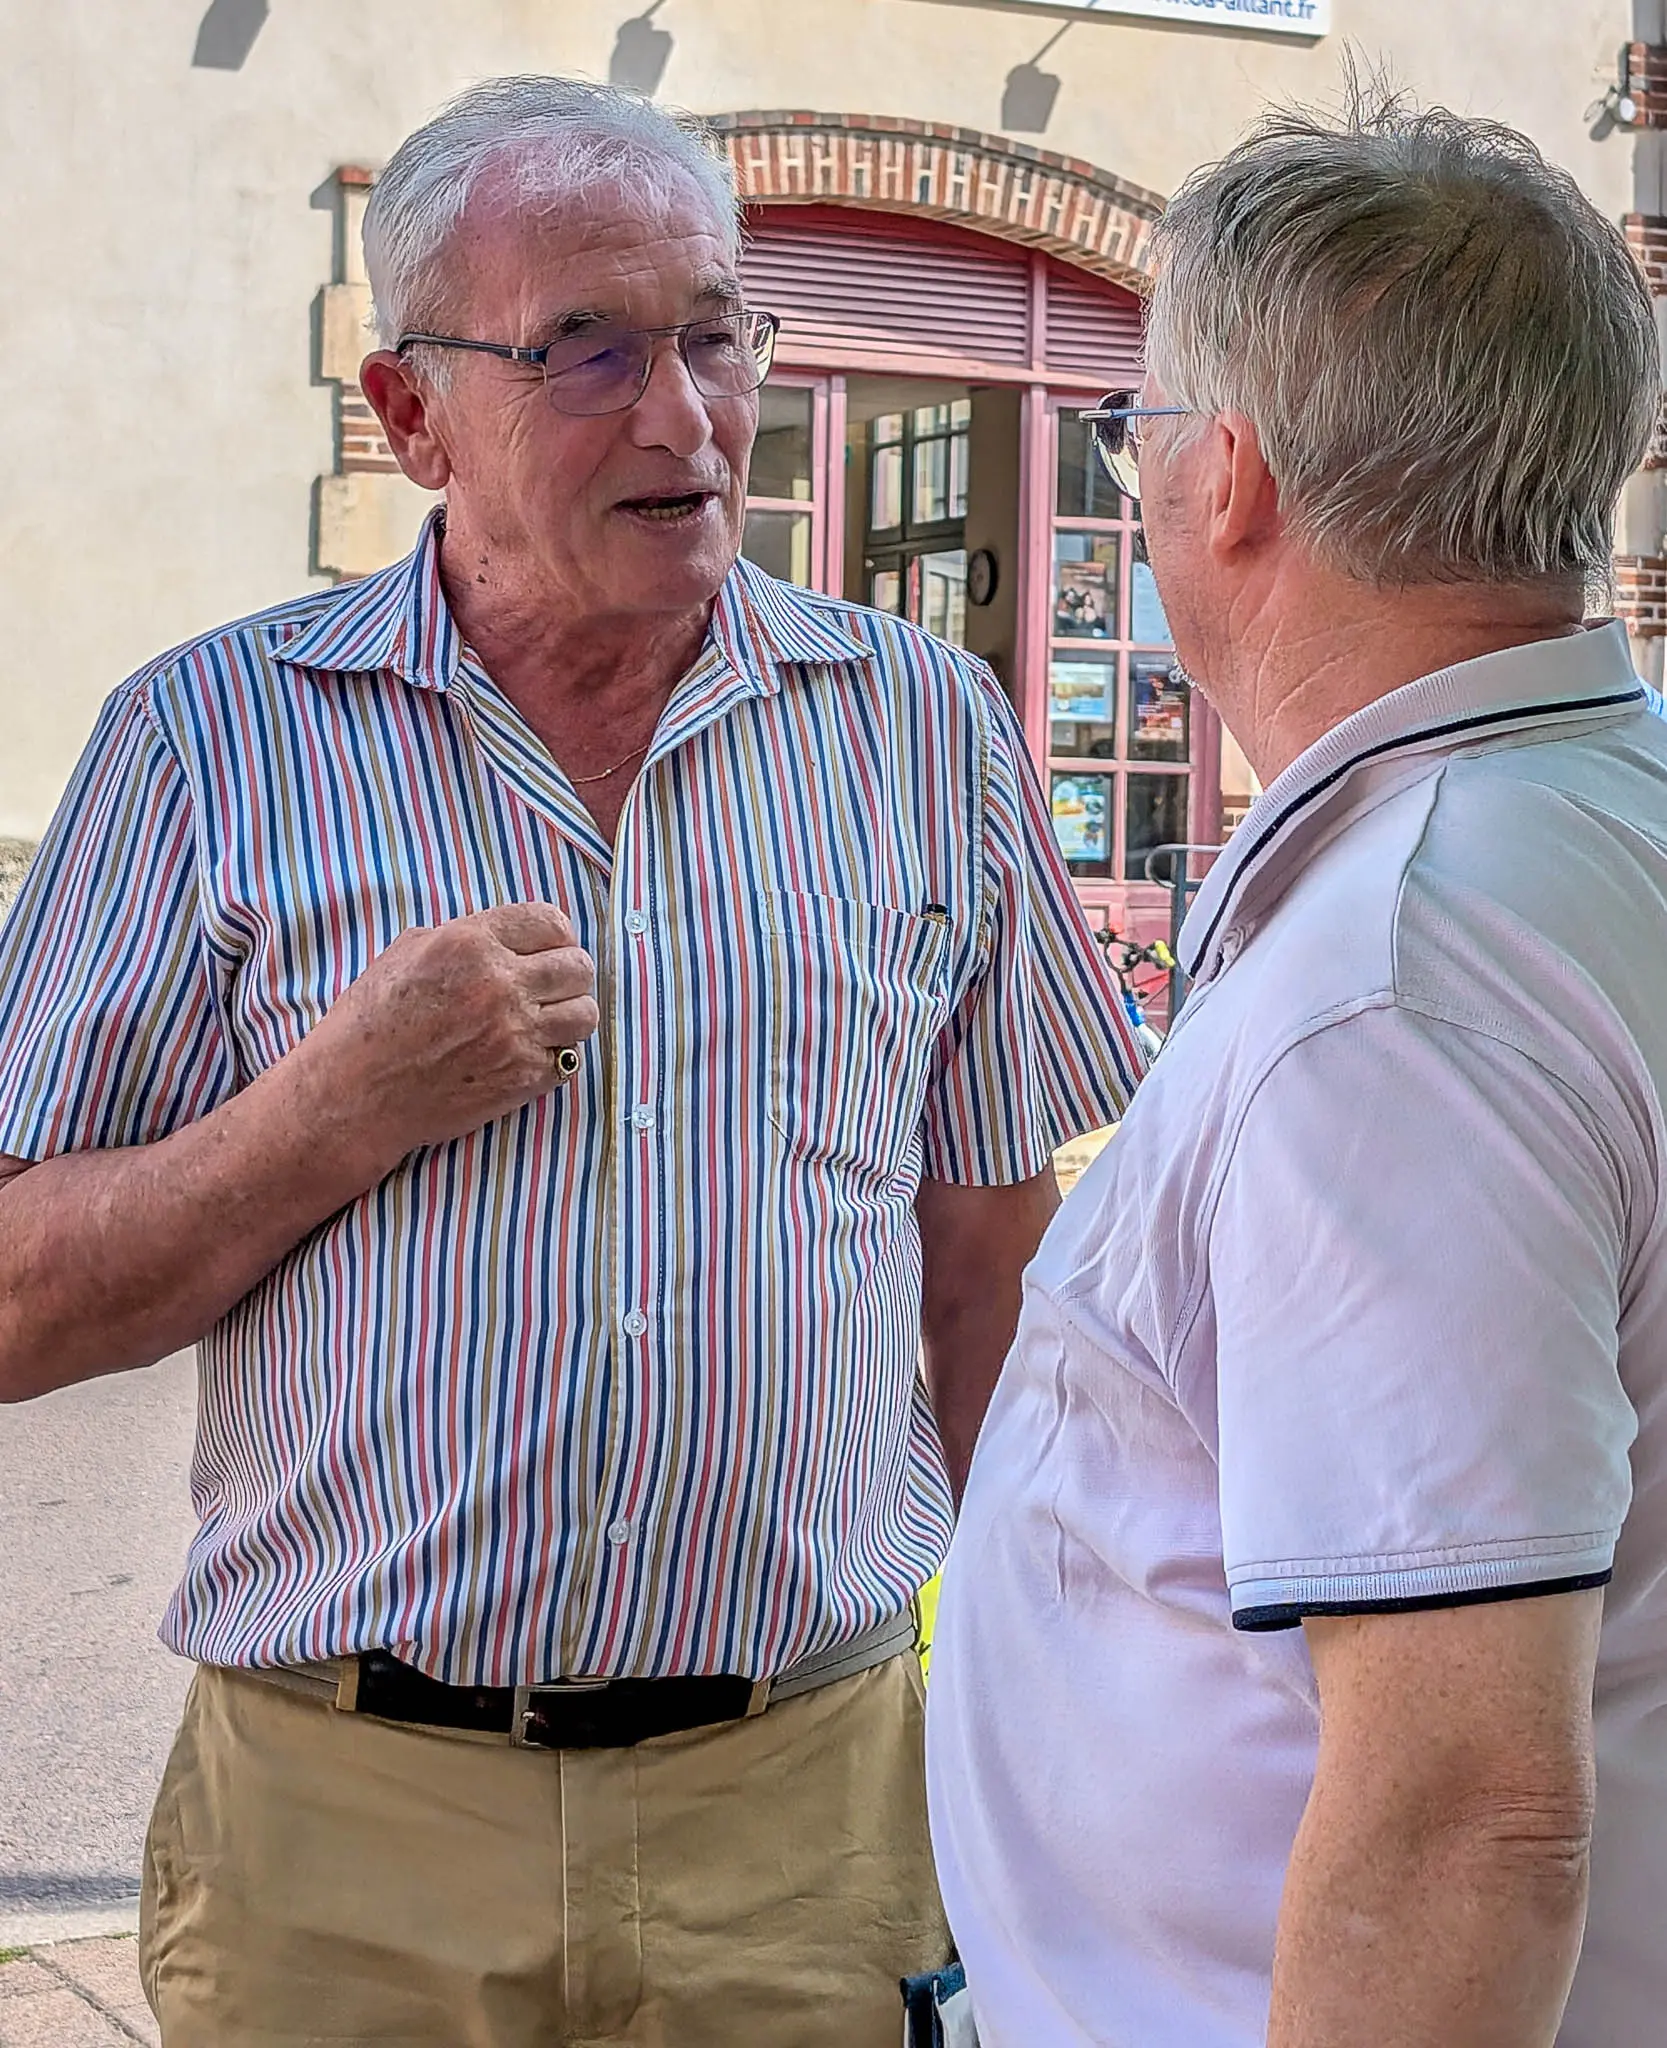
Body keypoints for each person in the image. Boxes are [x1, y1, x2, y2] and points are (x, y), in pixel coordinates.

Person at [0, 77, 1137, 2048]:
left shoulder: (924, 733)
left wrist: (1039, 1721)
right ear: (410, 412)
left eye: (713, 332)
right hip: (341, 1844)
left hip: (803, 1814)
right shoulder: (202, 747)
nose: (687, 417)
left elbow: (989, 1280)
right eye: (586, 352)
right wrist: (330, 1108)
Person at [927, 92, 1667, 2048]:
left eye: (1136, 428)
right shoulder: (1587, 824)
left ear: (1228, 480)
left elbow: (1460, 1816)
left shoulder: (1398, 984)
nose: (1134, 479)